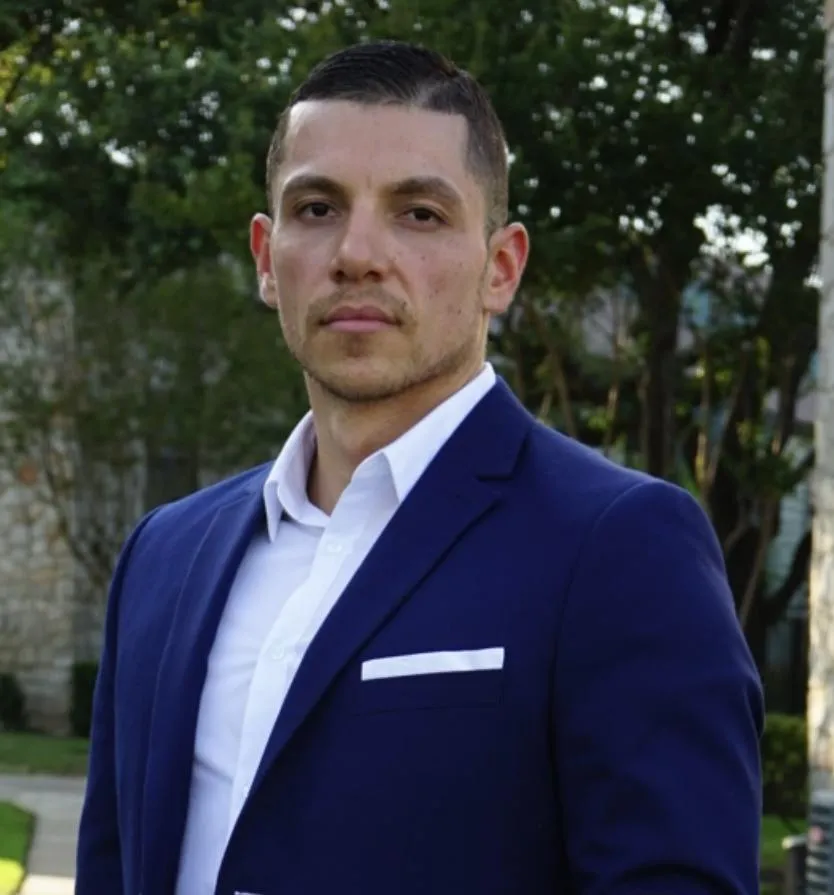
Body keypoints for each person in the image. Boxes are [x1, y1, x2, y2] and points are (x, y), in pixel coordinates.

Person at [76, 39, 763, 895]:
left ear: (501, 267)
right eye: (318, 207)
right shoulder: (162, 558)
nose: (358, 253)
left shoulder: (619, 547)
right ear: (265, 255)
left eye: (420, 214)